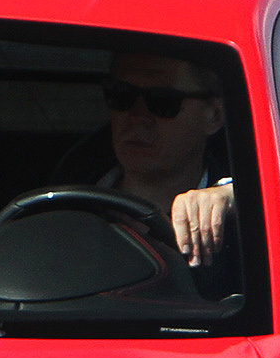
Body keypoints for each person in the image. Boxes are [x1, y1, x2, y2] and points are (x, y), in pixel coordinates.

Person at [94, 50, 235, 267]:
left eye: (162, 100)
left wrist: (236, 200)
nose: (138, 117)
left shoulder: (247, 224)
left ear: (214, 115)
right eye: (121, 95)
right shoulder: (63, 213)